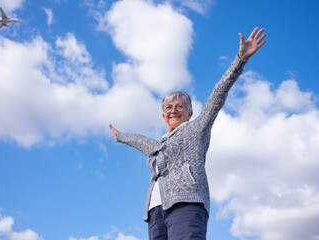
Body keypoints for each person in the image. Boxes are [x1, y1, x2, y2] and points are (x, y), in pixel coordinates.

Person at [109, 27, 266, 240]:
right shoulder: (158, 145)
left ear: (189, 113)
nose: (174, 110)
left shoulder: (196, 129)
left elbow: (218, 95)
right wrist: (120, 136)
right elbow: (140, 141)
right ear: (163, 115)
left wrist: (239, 60)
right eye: (168, 107)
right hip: (155, 212)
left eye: (180, 107)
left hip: (187, 203)